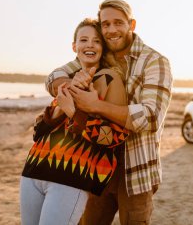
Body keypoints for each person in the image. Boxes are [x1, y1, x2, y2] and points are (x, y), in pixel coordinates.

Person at [45, 0, 173, 225]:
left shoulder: (154, 61)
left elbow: (151, 117)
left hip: (136, 170)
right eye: (105, 24)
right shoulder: (99, 53)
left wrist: (94, 105)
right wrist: (71, 85)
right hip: (96, 164)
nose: (111, 30)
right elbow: (53, 78)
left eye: (118, 23)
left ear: (131, 25)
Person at [20, 18, 128, 225]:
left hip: (70, 176)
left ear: (103, 47)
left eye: (96, 41)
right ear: (74, 47)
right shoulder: (67, 78)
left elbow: (116, 136)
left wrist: (73, 113)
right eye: (84, 40)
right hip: (34, 169)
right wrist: (61, 107)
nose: (89, 45)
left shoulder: (110, 79)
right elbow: (39, 131)